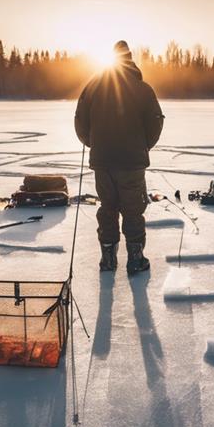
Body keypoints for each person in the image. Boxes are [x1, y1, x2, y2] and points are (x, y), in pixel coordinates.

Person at [74, 40, 164, 275]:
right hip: (131, 162)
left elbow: (80, 121)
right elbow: (155, 122)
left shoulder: (92, 87)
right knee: (133, 209)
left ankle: (108, 259)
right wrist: (143, 146)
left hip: (103, 161)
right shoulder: (143, 89)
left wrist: (94, 144)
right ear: (130, 59)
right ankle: (135, 259)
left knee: (108, 207)